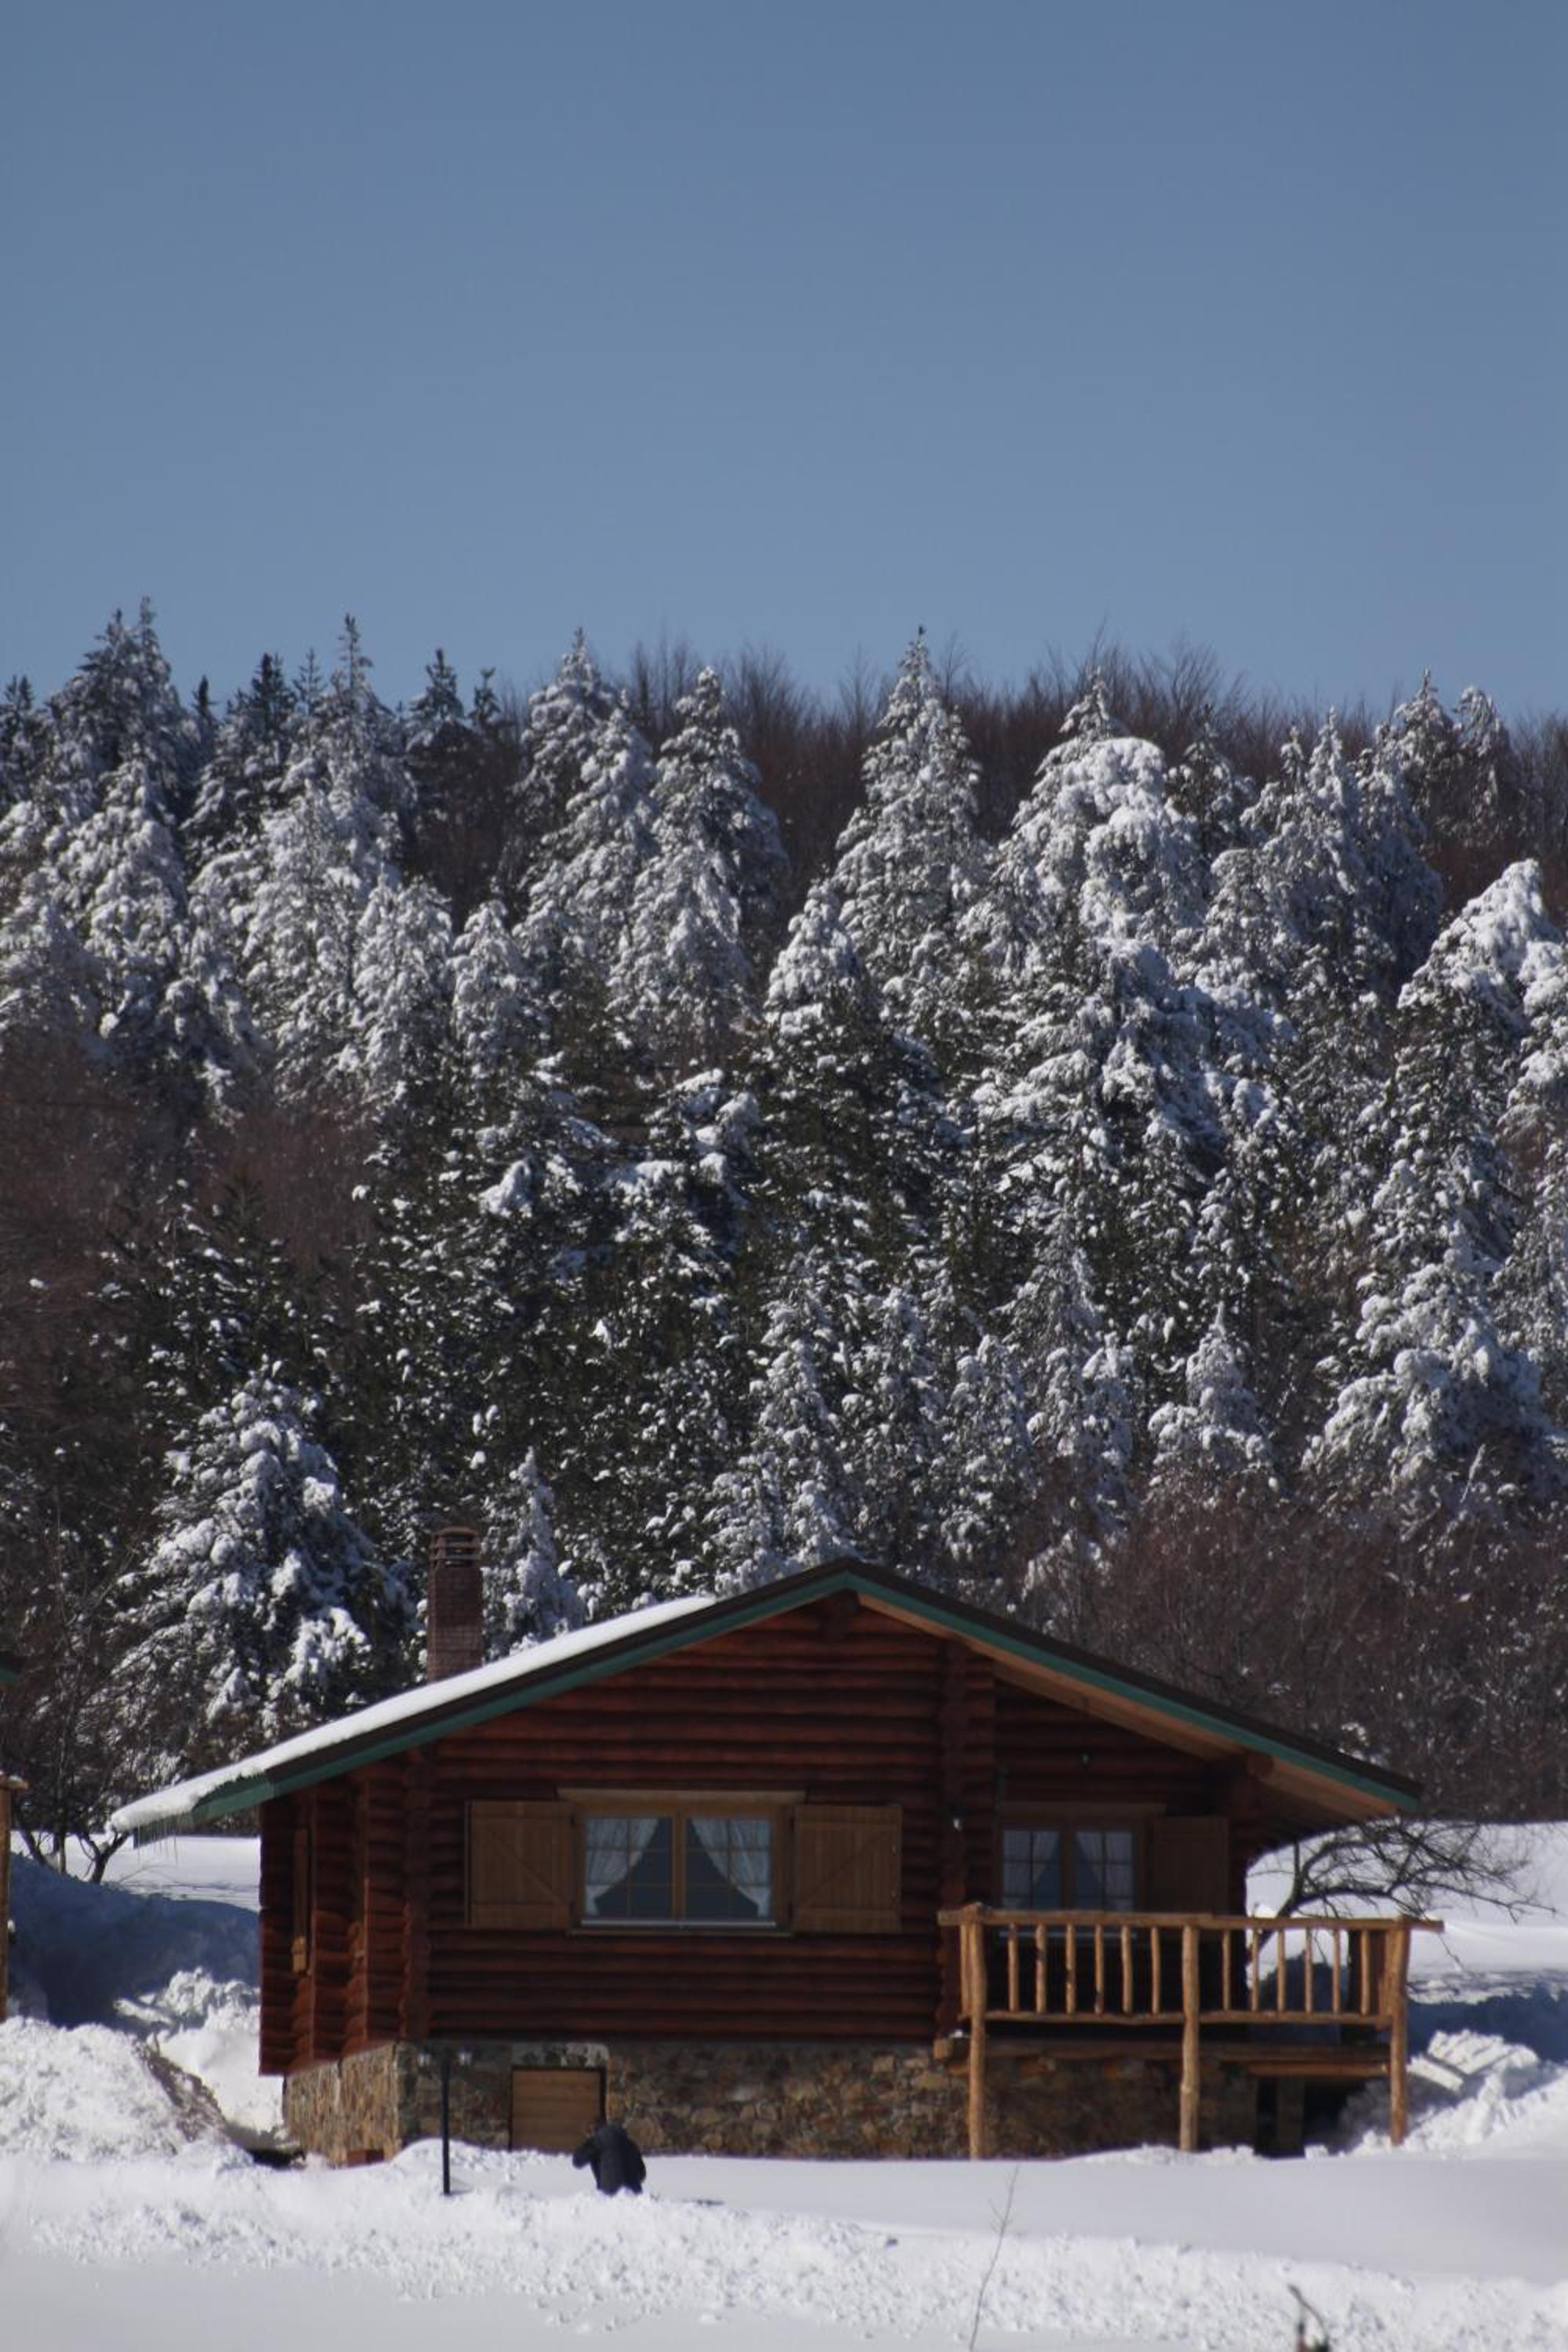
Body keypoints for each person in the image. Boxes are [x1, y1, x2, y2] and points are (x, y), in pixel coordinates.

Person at [572, 2118, 647, 2195]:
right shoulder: (631, 2144)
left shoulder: (598, 2141)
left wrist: (588, 2143)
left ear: (593, 2132)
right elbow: (642, 2174)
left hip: (610, 2192)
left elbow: (577, 2161)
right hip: (635, 2192)